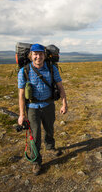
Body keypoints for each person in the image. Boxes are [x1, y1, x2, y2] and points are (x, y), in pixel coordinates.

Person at [17, 43, 68, 175]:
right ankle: (36, 162)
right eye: (35, 54)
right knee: (35, 135)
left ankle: (50, 147)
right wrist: (22, 115)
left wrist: (64, 103)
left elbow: (60, 87)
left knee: (49, 128)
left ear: (44, 55)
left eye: (40, 54)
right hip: (32, 108)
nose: (38, 56)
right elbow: (21, 94)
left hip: (49, 105)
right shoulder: (24, 71)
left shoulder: (52, 69)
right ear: (30, 55)